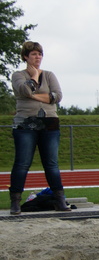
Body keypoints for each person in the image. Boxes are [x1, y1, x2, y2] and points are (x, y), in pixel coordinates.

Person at [9, 41, 71, 215]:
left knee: (51, 164)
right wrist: (35, 77)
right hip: (25, 123)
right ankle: (15, 201)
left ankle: (59, 199)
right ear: (26, 57)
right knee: (22, 163)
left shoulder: (50, 75)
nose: (38, 57)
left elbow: (57, 96)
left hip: (49, 122)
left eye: (40, 54)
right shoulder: (18, 75)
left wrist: (33, 95)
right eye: (34, 54)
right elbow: (25, 89)